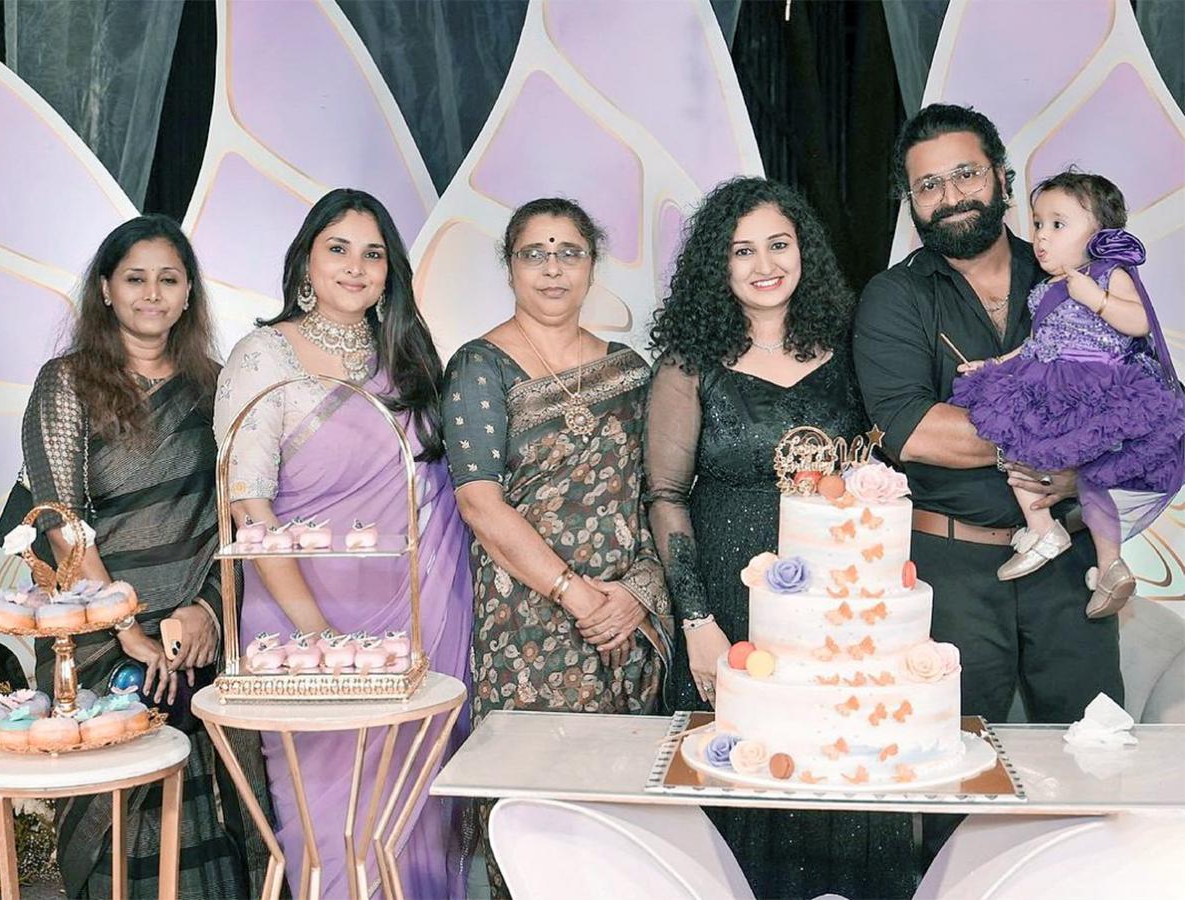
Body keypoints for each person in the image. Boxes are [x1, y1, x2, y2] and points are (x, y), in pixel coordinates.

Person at [645, 176, 914, 899]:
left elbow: (883, 461)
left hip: (838, 610)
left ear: (804, 252)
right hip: (727, 607)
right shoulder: (689, 363)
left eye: (778, 244)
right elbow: (664, 495)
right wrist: (696, 621)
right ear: (718, 265)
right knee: (740, 782)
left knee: (835, 771)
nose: (763, 264)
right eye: (742, 251)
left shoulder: (851, 348)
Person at [215, 188, 473, 899]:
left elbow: (436, 489)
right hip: (301, 628)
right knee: (326, 826)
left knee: (413, 817)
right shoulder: (262, 355)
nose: (355, 267)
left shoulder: (408, 359)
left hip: (415, 619)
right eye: (338, 249)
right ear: (306, 261)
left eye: (373, 254)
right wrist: (321, 640)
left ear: (390, 273)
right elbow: (248, 505)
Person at [21, 215, 268, 899]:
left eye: (168, 279)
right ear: (105, 289)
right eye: (135, 279)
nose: (152, 294)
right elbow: (61, 523)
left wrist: (210, 610)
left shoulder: (217, 388)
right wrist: (126, 628)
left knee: (207, 809)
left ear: (189, 294)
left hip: (197, 635)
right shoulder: (66, 384)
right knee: (116, 813)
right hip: (99, 638)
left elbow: (237, 516)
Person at [854, 103, 1123, 728]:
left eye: (966, 174)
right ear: (911, 202)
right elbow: (914, 432)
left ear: (1001, 177)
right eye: (929, 185)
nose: (951, 197)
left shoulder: (1078, 277)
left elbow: (1140, 397)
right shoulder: (893, 297)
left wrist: (1077, 464)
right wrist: (1064, 445)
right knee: (950, 758)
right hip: (950, 573)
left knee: (1095, 748)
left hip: (1071, 564)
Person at [442, 197, 671, 898]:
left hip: (624, 624)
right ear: (510, 267)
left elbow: (656, 494)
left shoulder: (629, 370)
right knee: (534, 817)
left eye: (568, 252)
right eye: (534, 254)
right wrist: (574, 594)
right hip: (528, 623)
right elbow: (480, 504)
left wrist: (635, 596)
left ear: (591, 266)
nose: (552, 269)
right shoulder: (480, 366)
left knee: (620, 825)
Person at [950, 170, 1184, 615]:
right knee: (1015, 442)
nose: (1041, 236)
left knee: (1089, 477)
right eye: (1038, 223)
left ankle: (1105, 561)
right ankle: (1050, 532)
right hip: (1051, 382)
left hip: (1098, 386)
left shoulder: (1108, 273)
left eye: (1058, 225)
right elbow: (1036, 345)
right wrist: (994, 364)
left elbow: (1140, 322)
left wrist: (1096, 298)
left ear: (1099, 234)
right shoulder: (1046, 290)